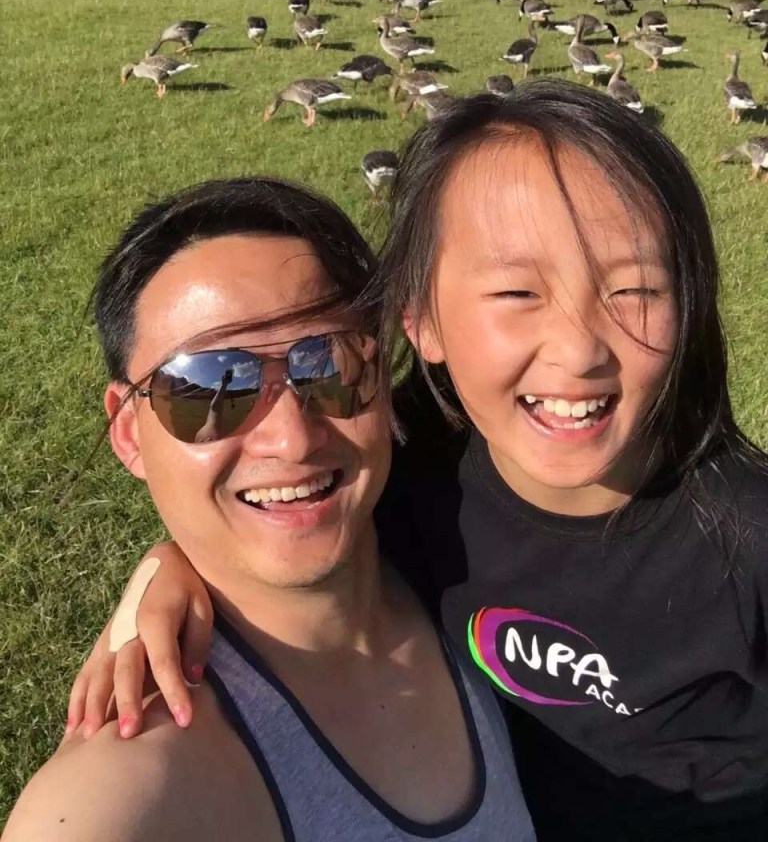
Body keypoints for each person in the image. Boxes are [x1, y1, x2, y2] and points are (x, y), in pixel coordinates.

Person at [68, 81, 768, 840]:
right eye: (517, 292)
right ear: (421, 321)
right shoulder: (414, 469)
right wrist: (170, 564)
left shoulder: (746, 538)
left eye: (634, 288)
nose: (578, 351)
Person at [3, 177, 535, 842]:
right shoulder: (133, 782)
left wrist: (164, 562)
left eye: (330, 365)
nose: (293, 438)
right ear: (129, 432)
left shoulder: (450, 538)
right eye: (208, 386)